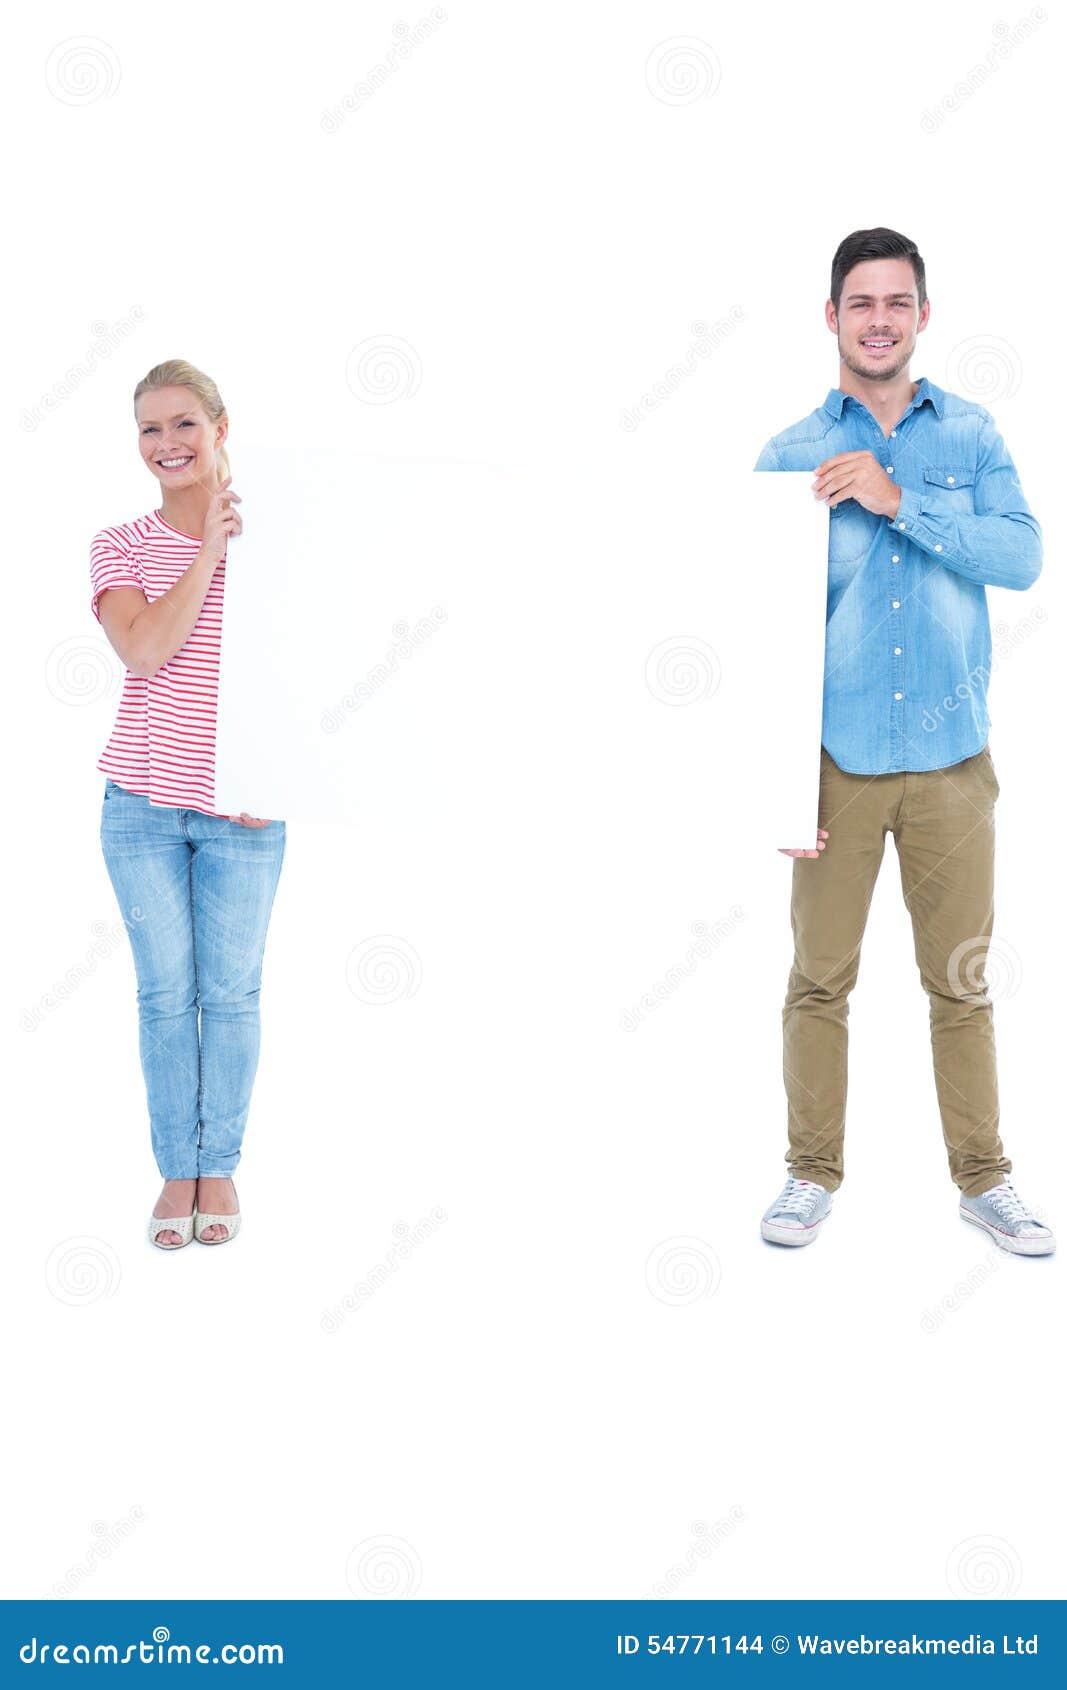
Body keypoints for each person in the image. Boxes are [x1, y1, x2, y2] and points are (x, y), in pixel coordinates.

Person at [754, 228, 1053, 1256]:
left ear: (921, 316)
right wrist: (768, 790)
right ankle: (806, 1172)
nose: (876, 319)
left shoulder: (968, 437)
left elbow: (1020, 557)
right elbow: (753, 633)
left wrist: (899, 501)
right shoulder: (789, 452)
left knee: (959, 981)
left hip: (950, 766)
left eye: (895, 302)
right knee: (816, 979)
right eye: (857, 302)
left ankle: (984, 1181)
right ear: (829, 317)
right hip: (831, 769)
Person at [92, 358, 286, 1250]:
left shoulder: (284, 532)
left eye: (182, 425)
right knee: (166, 995)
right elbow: (144, 651)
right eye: (148, 429)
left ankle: (222, 1168)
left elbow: (313, 667)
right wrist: (209, 548)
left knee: (232, 994)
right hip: (140, 805)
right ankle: (179, 1169)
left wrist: (277, 773)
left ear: (219, 427)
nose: (166, 444)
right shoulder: (121, 545)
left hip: (242, 808)